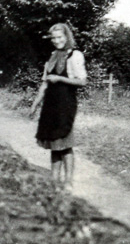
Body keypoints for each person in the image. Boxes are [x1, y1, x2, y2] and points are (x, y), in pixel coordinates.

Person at [28, 23, 87, 189]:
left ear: (67, 37)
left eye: (60, 37)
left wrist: (60, 79)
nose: (56, 41)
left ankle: (68, 180)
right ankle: (54, 179)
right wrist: (34, 104)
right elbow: (44, 84)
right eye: (53, 38)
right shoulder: (53, 56)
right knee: (54, 142)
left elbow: (82, 81)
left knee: (65, 143)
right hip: (50, 105)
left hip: (65, 104)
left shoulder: (75, 55)